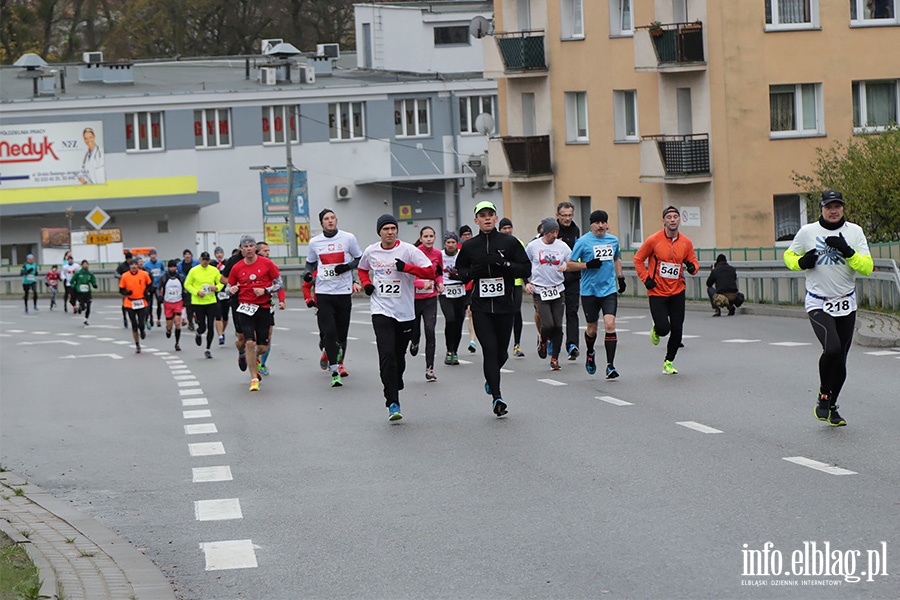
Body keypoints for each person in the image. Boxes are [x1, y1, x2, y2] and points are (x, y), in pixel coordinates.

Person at [783, 190, 873, 427]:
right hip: (818, 302)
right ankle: (824, 394)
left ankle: (832, 406)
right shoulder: (808, 232)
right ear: (821, 209)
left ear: (843, 208)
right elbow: (789, 256)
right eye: (828, 206)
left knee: (841, 360)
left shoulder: (854, 232)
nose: (833, 211)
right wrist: (800, 262)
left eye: (838, 206)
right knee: (831, 348)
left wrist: (848, 252)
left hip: (846, 302)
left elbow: (867, 267)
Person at [454, 201, 531, 417]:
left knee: (501, 353)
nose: (487, 218)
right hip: (481, 307)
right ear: (476, 220)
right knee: (489, 350)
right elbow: (460, 271)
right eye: (482, 215)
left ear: (496, 218)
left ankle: (491, 377)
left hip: (505, 305)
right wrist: (473, 272)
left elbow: (526, 268)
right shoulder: (470, 246)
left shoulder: (510, 242)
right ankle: (497, 396)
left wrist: (503, 264)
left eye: (490, 214)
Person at [358, 214, 436, 421]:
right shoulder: (371, 251)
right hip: (381, 310)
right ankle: (392, 401)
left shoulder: (409, 250)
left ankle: (396, 379)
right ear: (379, 232)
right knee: (387, 356)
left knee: (399, 358)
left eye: (393, 228)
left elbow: (431, 272)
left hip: (405, 313)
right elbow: (362, 269)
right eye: (386, 229)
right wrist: (366, 284)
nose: (390, 232)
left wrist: (407, 268)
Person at [633, 206, 699, 375]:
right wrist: (646, 278)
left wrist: (692, 267)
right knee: (664, 329)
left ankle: (668, 361)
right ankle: (657, 328)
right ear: (663, 221)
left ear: (679, 220)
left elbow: (693, 263)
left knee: (677, 329)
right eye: (669, 217)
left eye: (675, 217)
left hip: (677, 290)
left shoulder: (686, 242)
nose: (672, 219)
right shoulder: (653, 240)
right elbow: (638, 259)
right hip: (657, 291)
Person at [304, 208, 362, 387]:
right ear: (321, 223)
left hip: (343, 291)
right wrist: (307, 274)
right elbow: (310, 263)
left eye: (333, 218)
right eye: (326, 219)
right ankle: (335, 369)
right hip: (324, 292)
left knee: (341, 333)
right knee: (329, 332)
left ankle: (337, 358)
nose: (330, 221)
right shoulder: (315, 242)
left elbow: (359, 258)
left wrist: (346, 267)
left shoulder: (348, 238)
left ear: (336, 220)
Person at [568, 210, 627, 379]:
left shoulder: (613, 240)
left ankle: (610, 365)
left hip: (608, 289)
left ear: (607, 224)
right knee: (592, 329)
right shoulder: (583, 242)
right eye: (597, 223)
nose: (600, 226)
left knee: (610, 324)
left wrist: (620, 277)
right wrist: (587, 265)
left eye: (603, 222)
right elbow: (570, 265)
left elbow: (616, 258)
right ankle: (590, 352)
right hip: (589, 291)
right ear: (591, 225)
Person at [226, 235, 282, 392]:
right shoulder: (237, 267)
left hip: (263, 307)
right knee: (249, 342)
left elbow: (279, 283)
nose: (249, 248)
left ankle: (255, 359)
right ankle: (254, 378)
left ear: (255, 248)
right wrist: (231, 290)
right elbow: (227, 287)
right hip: (245, 308)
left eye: (251, 245)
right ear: (241, 250)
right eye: (245, 246)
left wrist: (265, 290)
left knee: (262, 347)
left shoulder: (267, 264)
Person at [525, 218, 571, 371]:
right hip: (540, 290)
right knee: (548, 324)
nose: (554, 235)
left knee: (558, 326)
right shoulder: (533, 246)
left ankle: (555, 359)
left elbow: (571, 261)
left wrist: (565, 266)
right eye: (551, 232)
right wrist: (527, 282)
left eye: (556, 232)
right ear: (544, 231)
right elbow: (524, 265)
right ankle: (543, 339)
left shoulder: (562, 246)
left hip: (557, 289)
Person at [410, 226, 443, 382]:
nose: (429, 239)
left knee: (430, 330)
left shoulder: (437, 254)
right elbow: (409, 277)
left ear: (435, 238)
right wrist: (420, 284)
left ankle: (430, 368)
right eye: (426, 236)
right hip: (414, 299)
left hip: (430, 298)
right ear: (421, 238)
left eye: (431, 236)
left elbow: (439, 273)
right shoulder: (414, 253)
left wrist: (440, 283)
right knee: (415, 329)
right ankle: (414, 341)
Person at [185, 251, 223, 359]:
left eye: (207, 260)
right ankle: (199, 332)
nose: (205, 262)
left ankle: (208, 348)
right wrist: (197, 292)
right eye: (203, 260)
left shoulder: (214, 270)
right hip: (198, 302)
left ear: (209, 260)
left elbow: (221, 282)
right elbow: (187, 284)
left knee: (210, 325)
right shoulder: (194, 270)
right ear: (200, 259)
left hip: (211, 301)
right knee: (203, 325)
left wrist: (217, 288)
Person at [255, 241, 286, 375]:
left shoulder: (271, 266)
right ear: (258, 251)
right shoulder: (250, 265)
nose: (268, 253)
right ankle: (252, 357)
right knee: (253, 337)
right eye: (265, 251)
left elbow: (278, 283)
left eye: (268, 250)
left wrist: (282, 300)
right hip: (251, 305)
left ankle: (262, 363)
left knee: (268, 335)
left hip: (267, 304)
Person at [499, 217, 527, 358]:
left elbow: (523, 264)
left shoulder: (517, 243)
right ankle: (501, 345)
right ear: (500, 230)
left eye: (509, 227)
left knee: (516, 312)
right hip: (501, 284)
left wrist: (526, 282)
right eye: (505, 228)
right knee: (503, 314)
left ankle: (517, 344)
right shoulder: (496, 242)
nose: (508, 230)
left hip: (516, 283)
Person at [439, 232, 466, 366]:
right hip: (445, 291)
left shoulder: (462, 254)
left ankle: (455, 351)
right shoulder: (440, 255)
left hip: (460, 291)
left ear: (457, 243)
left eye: (453, 242)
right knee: (450, 319)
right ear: (445, 244)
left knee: (459, 322)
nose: (450, 245)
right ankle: (449, 350)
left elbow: (467, 272)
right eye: (448, 242)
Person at [119, 259, 152, 353]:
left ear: (138, 266)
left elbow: (150, 284)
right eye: (131, 265)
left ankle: (142, 330)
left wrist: (147, 292)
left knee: (141, 323)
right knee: (134, 325)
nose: (133, 266)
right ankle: (137, 344)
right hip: (130, 303)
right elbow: (121, 289)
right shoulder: (125, 276)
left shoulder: (144, 274)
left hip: (141, 301)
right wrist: (126, 292)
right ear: (129, 266)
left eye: (135, 265)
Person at [458, 224, 478, 354]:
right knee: (459, 316)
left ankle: (473, 341)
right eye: (464, 235)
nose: (467, 237)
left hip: (472, 286)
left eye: (469, 234)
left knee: (471, 313)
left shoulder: (475, 248)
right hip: (459, 287)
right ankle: (455, 342)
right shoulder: (458, 249)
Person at [159, 259, 186, 351]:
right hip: (168, 303)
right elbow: (159, 288)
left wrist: (185, 299)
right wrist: (159, 296)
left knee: (178, 323)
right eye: (171, 267)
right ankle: (168, 330)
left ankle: (177, 343)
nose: (173, 269)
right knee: (169, 324)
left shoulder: (181, 277)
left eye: (174, 267)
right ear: (168, 268)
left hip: (178, 302)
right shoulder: (164, 277)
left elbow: (184, 288)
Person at [70, 260, 98, 325]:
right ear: (82, 265)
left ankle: (85, 319)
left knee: (89, 305)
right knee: (83, 306)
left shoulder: (90, 273)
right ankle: (80, 306)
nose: (85, 265)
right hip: (80, 292)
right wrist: (74, 286)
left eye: (86, 264)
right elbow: (72, 281)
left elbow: (93, 280)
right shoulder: (78, 273)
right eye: (84, 264)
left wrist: (94, 284)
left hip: (87, 292)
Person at [177, 249, 200, 331]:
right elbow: (178, 276)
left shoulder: (196, 263)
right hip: (186, 287)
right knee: (188, 305)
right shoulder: (180, 265)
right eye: (186, 254)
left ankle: (198, 318)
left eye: (189, 254)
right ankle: (190, 322)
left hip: (196, 286)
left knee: (197, 304)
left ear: (191, 256)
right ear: (183, 256)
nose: (187, 256)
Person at [143, 249, 165, 328]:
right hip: (151, 285)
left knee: (159, 301)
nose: (153, 256)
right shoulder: (146, 265)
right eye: (151, 255)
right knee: (150, 303)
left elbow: (163, 270)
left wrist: (161, 276)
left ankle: (159, 319)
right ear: (149, 256)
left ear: (156, 255)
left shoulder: (160, 263)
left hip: (158, 285)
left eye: (154, 254)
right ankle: (151, 316)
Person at [213, 247, 230, 345]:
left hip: (226, 291)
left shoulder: (227, 263)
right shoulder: (212, 264)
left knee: (225, 316)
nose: (219, 255)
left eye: (221, 253)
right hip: (216, 291)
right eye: (217, 253)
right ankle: (220, 335)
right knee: (218, 315)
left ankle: (223, 331)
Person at [116, 251, 134, 327]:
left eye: (130, 259)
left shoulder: (133, 265)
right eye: (128, 259)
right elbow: (116, 273)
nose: (129, 260)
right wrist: (122, 277)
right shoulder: (122, 266)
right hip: (124, 287)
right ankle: (125, 318)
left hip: (133, 286)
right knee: (125, 303)